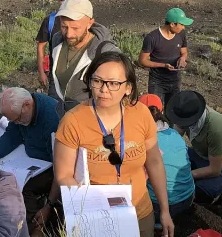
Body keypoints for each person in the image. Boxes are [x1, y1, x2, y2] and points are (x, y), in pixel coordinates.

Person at [54, 51, 175, 237]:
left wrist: (165, 210)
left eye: (113, 83)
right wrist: (93, 208)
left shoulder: (141, 114)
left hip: (139, 213)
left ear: (128, 88)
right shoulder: (73, 121)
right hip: (95, 216)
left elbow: (154, 162)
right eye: (97, 81)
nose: (103, 89)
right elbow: (63, 175)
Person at [0, 87, 61, 235]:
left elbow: (59, 164)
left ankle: (35, 227)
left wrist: (50, 204)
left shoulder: (52, 118)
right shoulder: (22, 112)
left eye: (17, 119)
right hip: (28, 158)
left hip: (49, 164)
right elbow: (12, 135)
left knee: (19, 186)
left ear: (27, 105)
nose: (16, 122)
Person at [48, 0, 120, 116]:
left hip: (90, 122)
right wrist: (52, 104)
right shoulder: (57, 40)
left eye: (75, 28)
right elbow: (53, 76)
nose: (69, 34)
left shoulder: (105, 52)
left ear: (90, 23)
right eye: (64, 27)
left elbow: (119, 91)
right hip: (61, 117)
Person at [167, 90, 222, 204]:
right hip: (201, 154)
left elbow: (215, 169)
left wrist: (186, 176)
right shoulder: (185, 113)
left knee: (198, 192)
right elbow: (174, 139)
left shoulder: (216, 127)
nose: (178, 124)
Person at [138, 94, 195, 227]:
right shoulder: (175, 135)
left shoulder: (141, 141)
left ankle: (155, 223)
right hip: (187, 198)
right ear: (162, 111)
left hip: (158, 204)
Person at [139, 8, 192, 109]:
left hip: (175, 80)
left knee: (173, 110)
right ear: (172, 24)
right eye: (181, 24)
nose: (183, 27)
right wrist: (163, 65)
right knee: (155, 110)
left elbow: (184, 52)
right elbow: (142, 61)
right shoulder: (152, 38)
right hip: (157, 82)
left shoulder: (181, 34)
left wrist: (183, 58)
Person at [36, 0, 76, 87]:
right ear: (59, 2)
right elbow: (41, 46)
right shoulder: (50, 21)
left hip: (77, 72)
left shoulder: (81, 21)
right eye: (62, 6)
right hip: (55, 73)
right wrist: (41, 72)